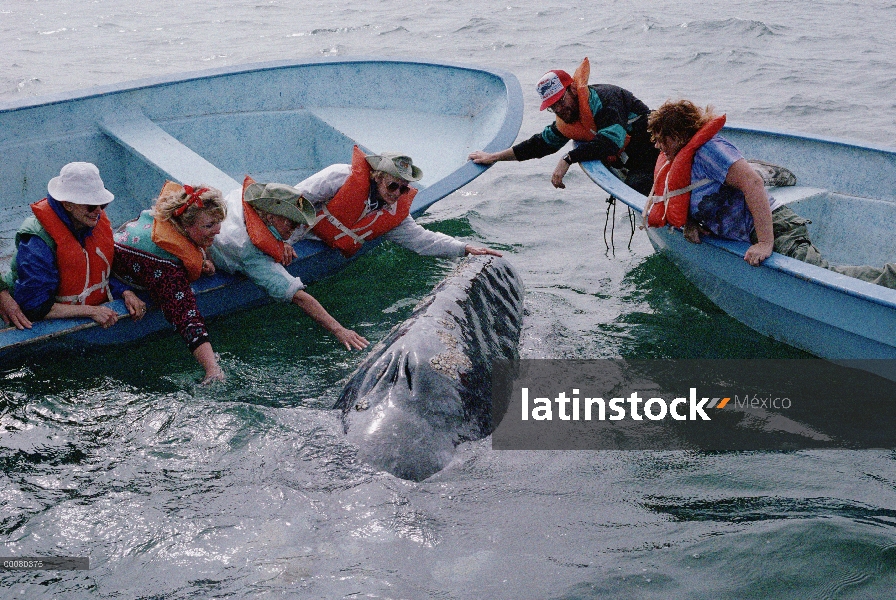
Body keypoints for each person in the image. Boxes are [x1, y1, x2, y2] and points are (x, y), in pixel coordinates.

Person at [645, 99, 896, 289]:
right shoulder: (680, 163)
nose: (657, 146)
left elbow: (753, 183)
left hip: (775, 225)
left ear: (677, 135)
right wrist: (691, 224)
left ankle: (891, 278)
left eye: (660, 139)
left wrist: (765, 242)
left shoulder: (710, 151)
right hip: (747, 233)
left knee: (823, 275)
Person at [210, 177, 369, 350]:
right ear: (270, 217)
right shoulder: (249, 252)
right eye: (292, 222)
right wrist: (340, 331)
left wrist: (282, 242)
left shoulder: (242, 199)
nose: (296, 228)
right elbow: (298, 296)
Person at [468, 57, 659, 194]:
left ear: (573, 89)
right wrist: (495, 157)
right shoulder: (570, 116)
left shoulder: (606, 99)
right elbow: (540, 144)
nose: (559, 109)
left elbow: (611, 142)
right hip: (632, 162)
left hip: (656, 153)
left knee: (639, 185)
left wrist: (568, 158)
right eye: (552, 106)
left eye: (561, 101)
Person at [293, 146, 502, 260]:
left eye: (404, 189)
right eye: (393, 186)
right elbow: (296, 199)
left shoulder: (393, 213)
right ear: (377, 176)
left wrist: (465, 248)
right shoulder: (338, 176)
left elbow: (422, 240)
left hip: (325, 242)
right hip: (295, 231)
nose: (397, 194)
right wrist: (285, 241)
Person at [3, 162, 145, 329]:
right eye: (91, 205)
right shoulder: (38, 243)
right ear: (67, 204)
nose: (98, 211)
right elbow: (34, 307)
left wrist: (125, 291)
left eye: (102, 204)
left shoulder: (91, 220)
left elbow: (101, 270)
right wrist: (91, 311)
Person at [113, 182, 227, 383]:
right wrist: (212, 368)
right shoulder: (166, 263)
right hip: (110, 278)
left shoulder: (162, 216)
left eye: (218, 223)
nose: (217, 231)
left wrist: (201, 259)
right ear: (185, 224)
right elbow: (186, 317)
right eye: (209, 225)